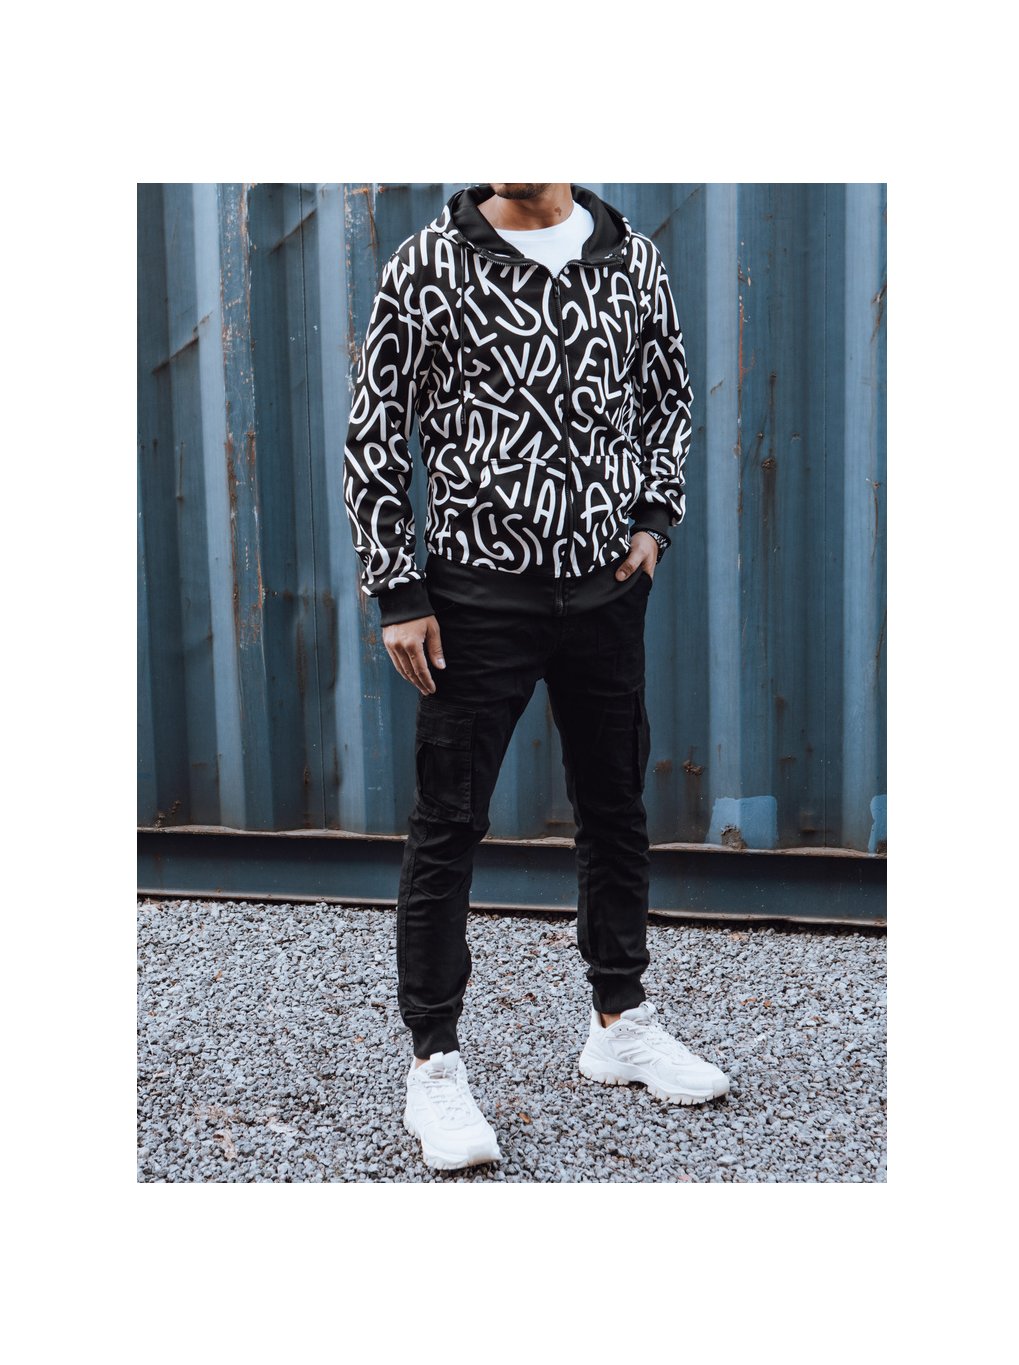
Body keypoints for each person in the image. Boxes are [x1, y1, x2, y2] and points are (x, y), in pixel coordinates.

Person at [343, 182, 729, 1172]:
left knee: (614, 807)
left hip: (604, 590)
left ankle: (620, 1021)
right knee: (449, 824)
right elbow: (376, 430)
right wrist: (397, 588)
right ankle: (433, 1065)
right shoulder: (427, 265)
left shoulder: (629, 260)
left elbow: (667, 397)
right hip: (475, 598)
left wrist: (654, 518)